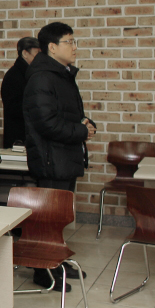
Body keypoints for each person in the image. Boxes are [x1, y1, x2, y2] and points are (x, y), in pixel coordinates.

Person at [23, 23, 93, 192]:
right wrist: (82, 131)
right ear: (52, 47)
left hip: (65, 160)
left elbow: (68, 114)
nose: (74, 47)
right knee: (54, 209)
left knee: (65, 208)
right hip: (52, 164)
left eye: (74, 42)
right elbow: (47, 123)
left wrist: (86, 123)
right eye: (69, 42)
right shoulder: (42, 78)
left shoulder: (62, 75)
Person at [0, 37, 41, 149]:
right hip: (18, 138)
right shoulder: (14, 76)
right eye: (37, 54)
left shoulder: (30, 74)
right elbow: (13, 108)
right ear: (25, 53)